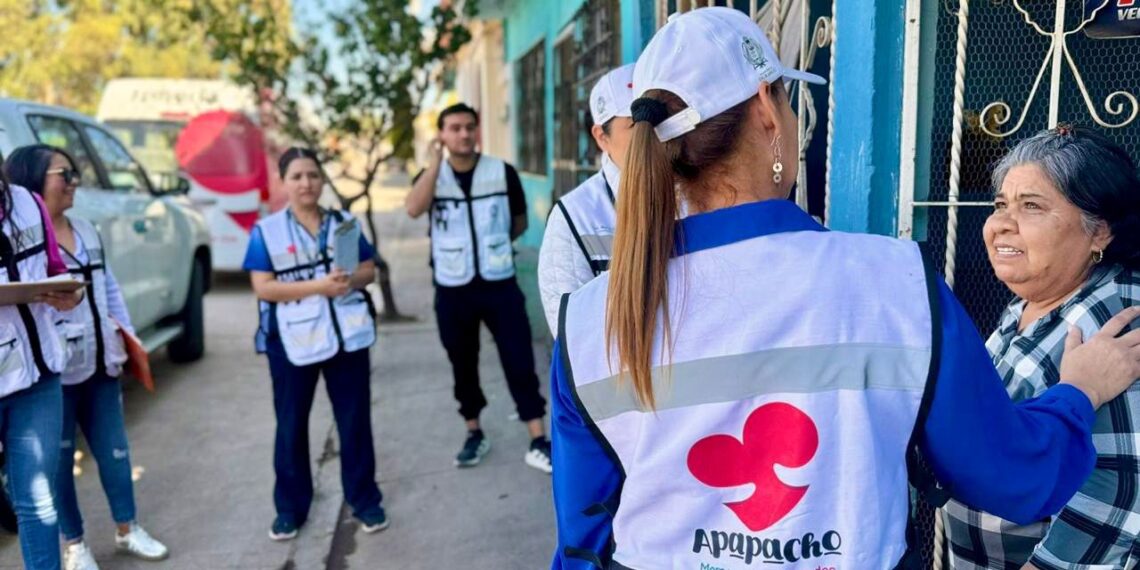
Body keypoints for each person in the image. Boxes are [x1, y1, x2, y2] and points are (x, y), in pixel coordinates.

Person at [549, 8, 1140, 569]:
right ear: (766, 111)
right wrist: (1078, 392)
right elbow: (1016, 478)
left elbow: (582, 538)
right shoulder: (894, 282)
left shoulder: (589, 317)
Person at [943, 126, 1140, 569]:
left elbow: (1121, 489)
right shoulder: (1027, 307)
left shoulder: (1118, 317)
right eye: (1000, 205)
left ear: (1100, 232)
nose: (1000, 225)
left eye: (1031, 206)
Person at [5, 145, 169, 570]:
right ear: (35, 177)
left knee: (109, 455)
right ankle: (75, 543)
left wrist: (125, 336)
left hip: (80, 366)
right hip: (46, 368)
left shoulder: (71, 225)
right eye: (65, 173)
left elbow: (101, 286)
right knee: (55, 469)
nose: (74, 181)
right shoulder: (29, 217)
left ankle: (127, 528)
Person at [243, 148, 388, 541]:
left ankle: (365, 499)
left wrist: (350, 281)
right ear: (284, 183)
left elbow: (368, 269)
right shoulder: (267, 231)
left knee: (354, 421)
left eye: (312, 175)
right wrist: (319, 287)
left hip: (348, 338)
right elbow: (263, 287)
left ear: (322, 180)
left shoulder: (344, 223)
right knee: (291, 425)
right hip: (291, 343)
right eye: (297, 176)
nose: (306, 183)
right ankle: (290, 508)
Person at [405, 103, 552, 473]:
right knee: (462, 362)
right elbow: (413, 208)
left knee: (519, 358)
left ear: (477, 131)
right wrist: (435, 164)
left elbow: (518, 221)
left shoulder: (501, 172)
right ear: (442, 135)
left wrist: (494, 247)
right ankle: (474, 432)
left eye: (469, 126)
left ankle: (538, 438)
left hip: (499, 284)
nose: (463, 134)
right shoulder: (431, 176)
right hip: (453, 290)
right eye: (454, 128)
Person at [0, 157, 81, 569]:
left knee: (38, 500)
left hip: (38, 378)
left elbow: (56, 270)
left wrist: (70, 294)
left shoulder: (29, 203)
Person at [538, 63, 636, 332]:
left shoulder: (698, 194)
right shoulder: (575, 218)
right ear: (602, 137)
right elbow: (573, 337)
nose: (653, 136)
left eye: (660, 121)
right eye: (635, 124)